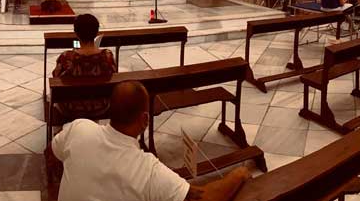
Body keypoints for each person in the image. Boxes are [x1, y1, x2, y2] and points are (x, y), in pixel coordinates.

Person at [47, 81, 250, 201]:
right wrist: (237, 175)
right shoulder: (148, 170)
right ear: (144, 120)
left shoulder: (79, 128)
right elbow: (203, 198)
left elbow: (52, 152)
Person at [52, 14, 117, 118]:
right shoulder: (107, 56)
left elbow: (56, 77)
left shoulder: (67, 57)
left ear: (76, 33)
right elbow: (114, 73)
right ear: (96, 32)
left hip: (71, 108)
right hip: (100, 106)